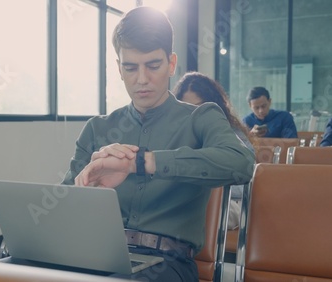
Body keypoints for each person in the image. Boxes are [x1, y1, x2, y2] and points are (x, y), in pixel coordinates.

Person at [61, 7, 255, 282]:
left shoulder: (201, 117)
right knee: (9, 265)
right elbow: (63, 206)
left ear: (171, 64)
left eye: (153, 65)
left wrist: (142, 161)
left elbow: (241, 163)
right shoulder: (97, 128)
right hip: (98, 255)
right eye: (130, 67)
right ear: (119, 68)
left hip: (168, 264)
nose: (141, 79)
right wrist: (87, 193)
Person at [173, 71, 255, 230]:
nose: (193, 115)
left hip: (230, 203)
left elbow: (246, 183)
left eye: (199, 108)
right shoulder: (177, 137)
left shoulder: (233, 136)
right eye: (186, 108)